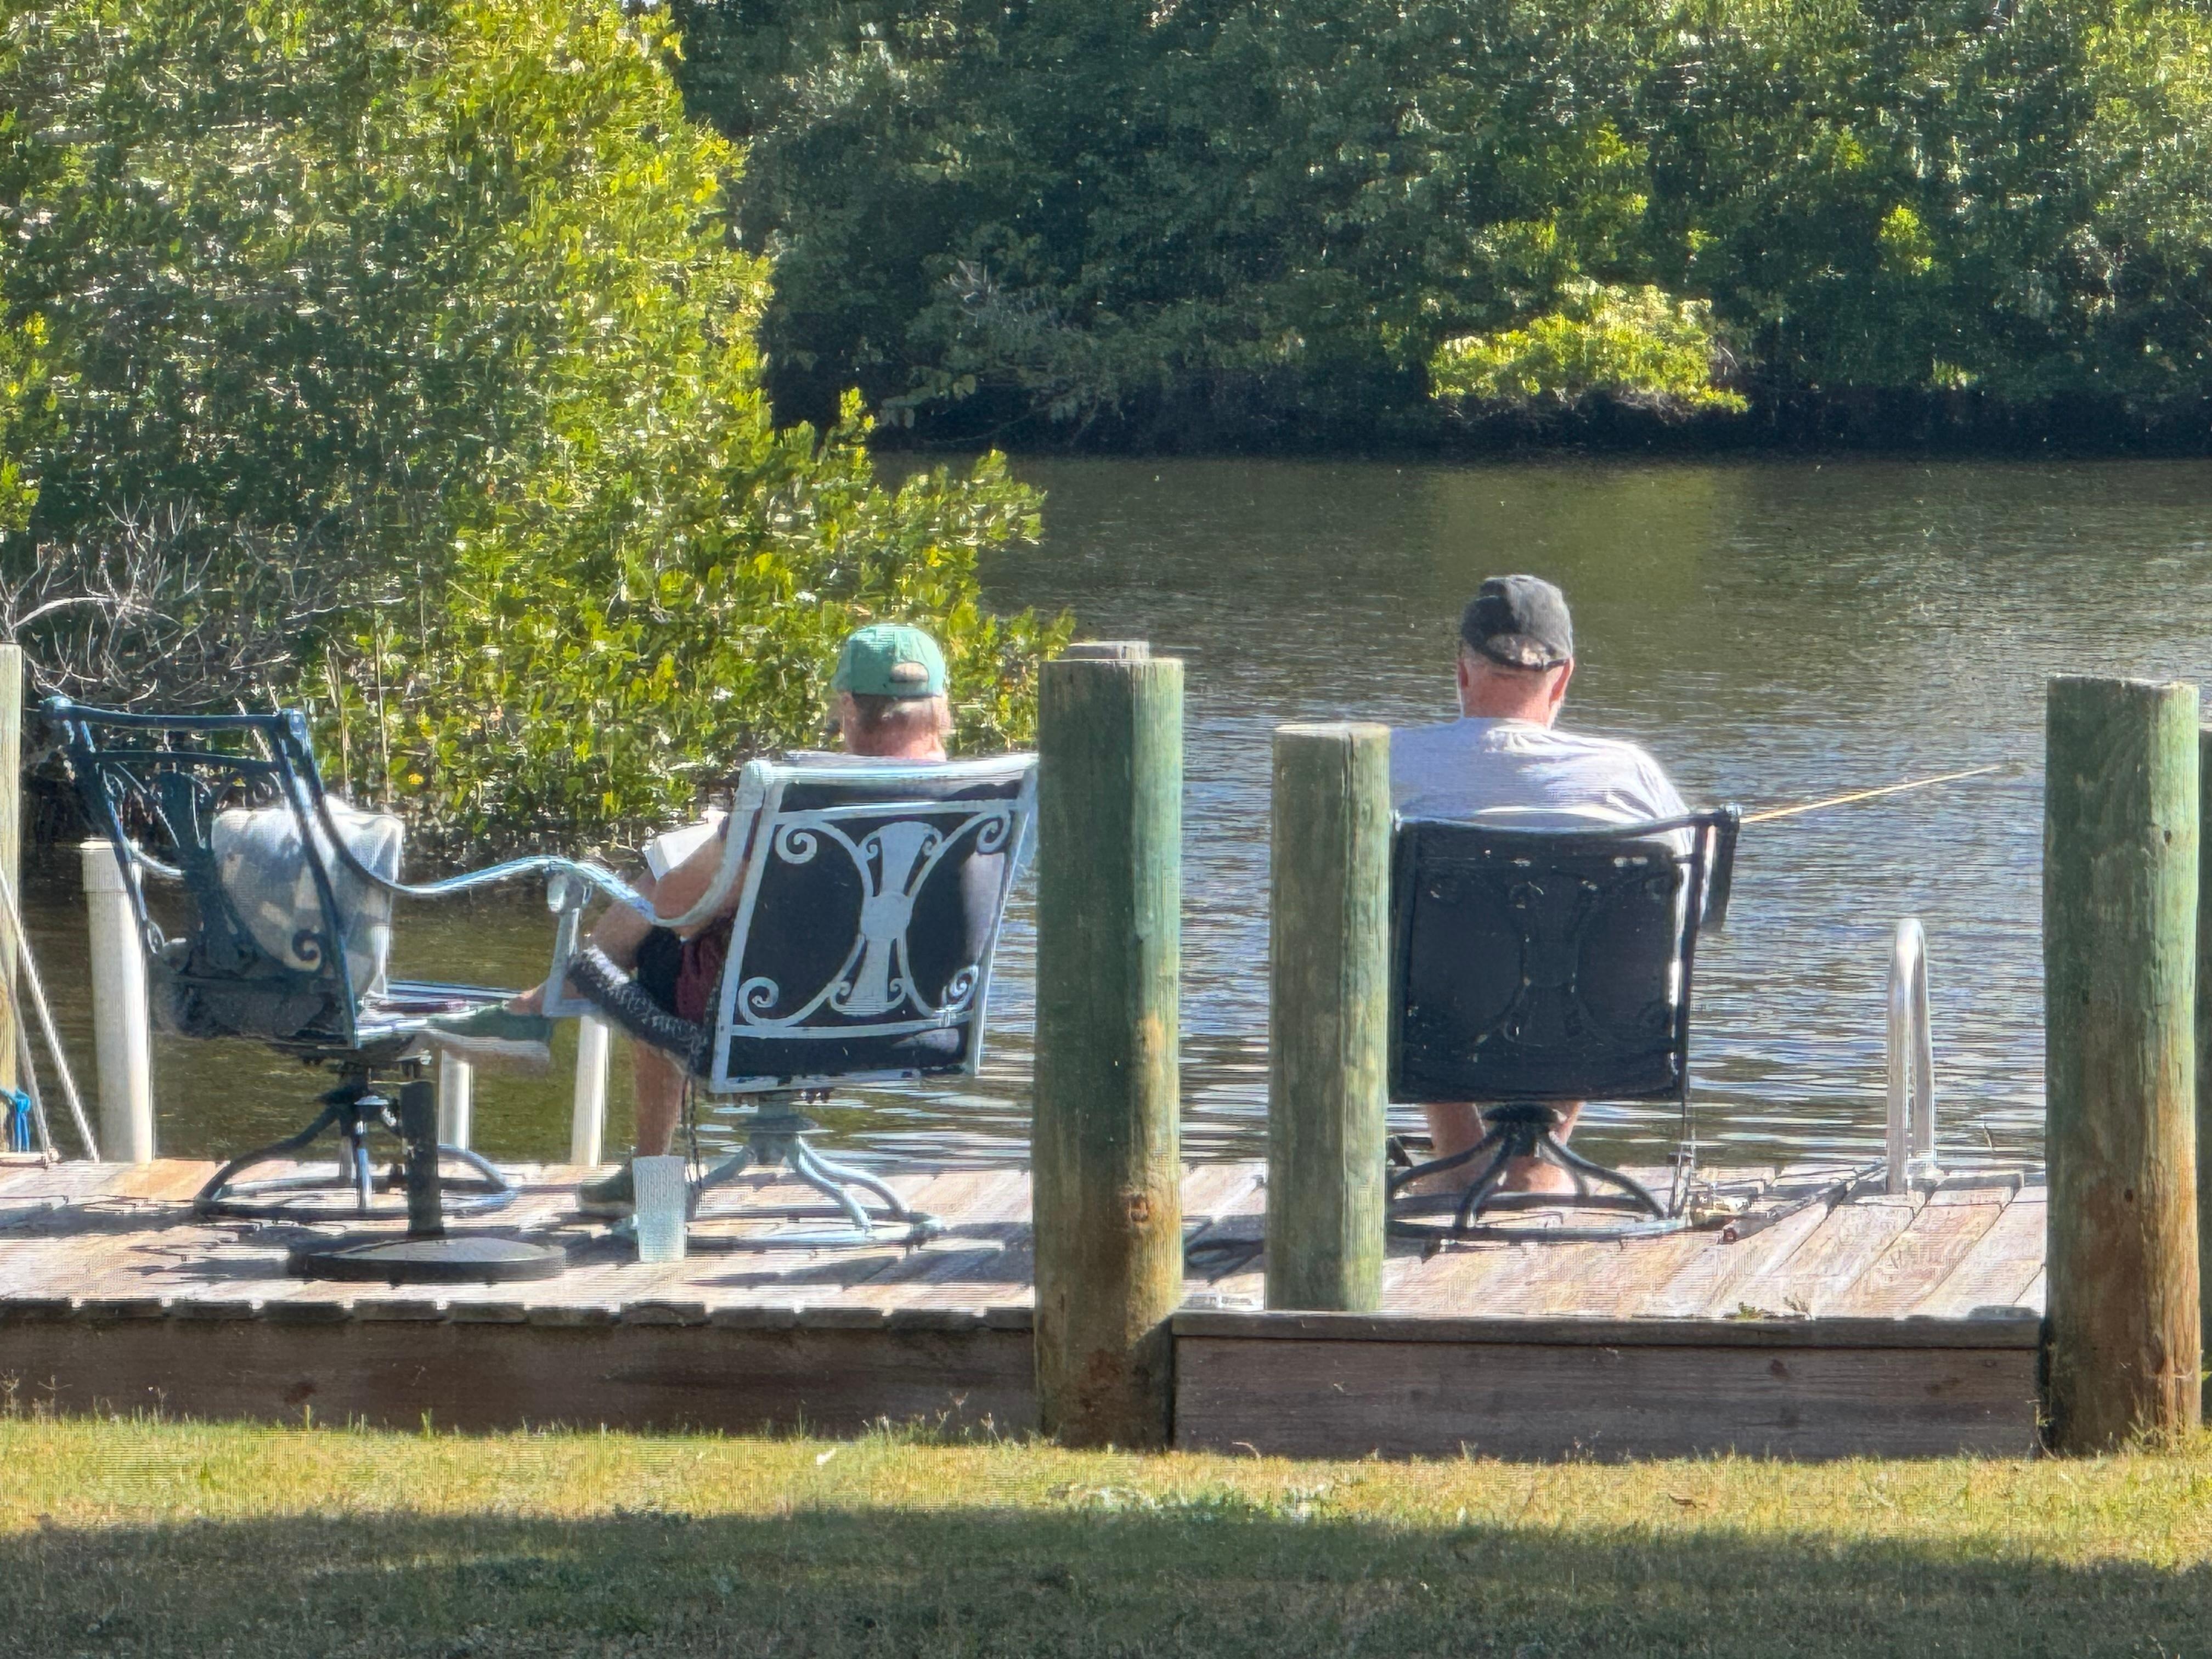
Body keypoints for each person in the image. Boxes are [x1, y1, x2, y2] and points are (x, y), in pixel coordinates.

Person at [422, 623, 955, 1216]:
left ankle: (639, 1167)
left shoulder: (800, 794)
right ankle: (538, 1008)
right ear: (938, 706)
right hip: (913, 1017)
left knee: (657, 934)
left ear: (850, 705)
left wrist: (715, 847)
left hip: (769, 1013)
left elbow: (674, 906)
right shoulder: (982, 794)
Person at [1391, 574, 1688, 1195]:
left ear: (1463, 673)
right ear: (1563, 679)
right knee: (1603, 948)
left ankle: (1457, 1156)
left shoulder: (1387, 764)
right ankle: (1538, 1163)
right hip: (1602, 1028)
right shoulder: (1630, 775)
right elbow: (1691, 913)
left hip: (1427, 1022)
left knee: (1396, 952)